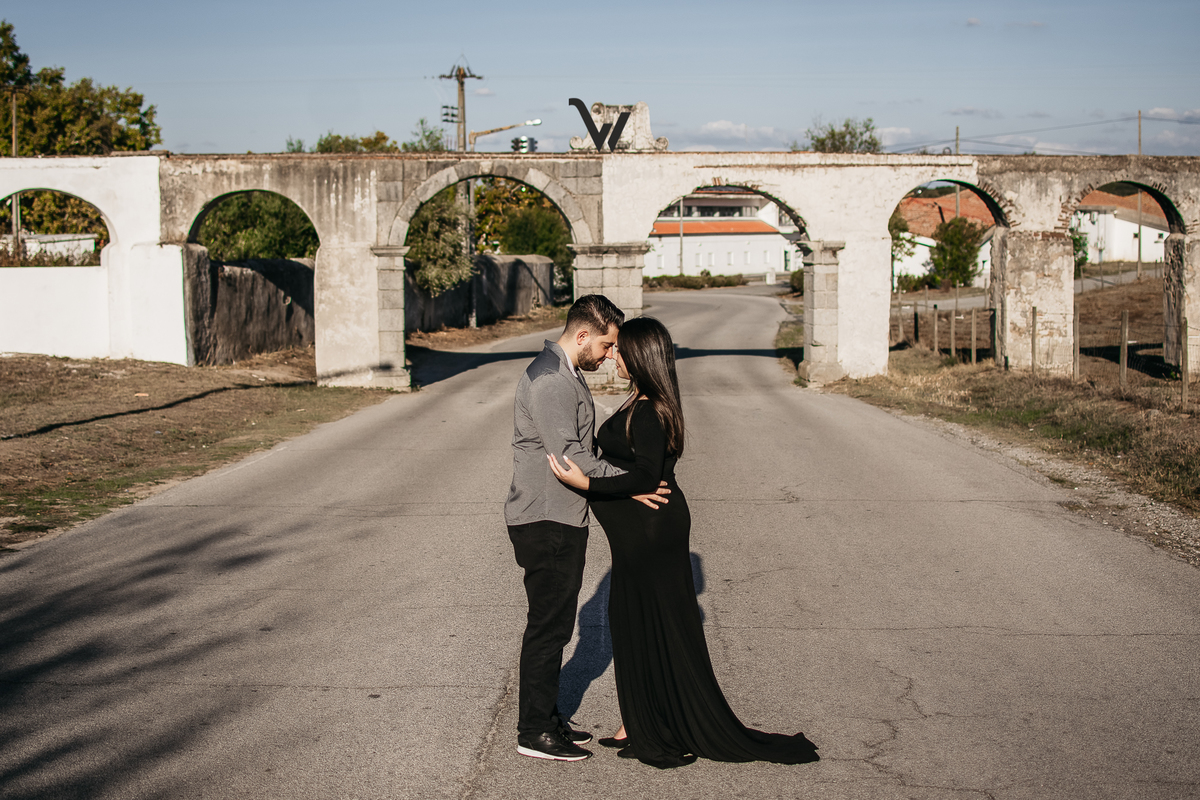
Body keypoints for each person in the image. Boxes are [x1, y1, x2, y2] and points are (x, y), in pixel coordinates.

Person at [548, 316, 820, 769]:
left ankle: (652, 724)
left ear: (640, 356)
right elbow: (637, 473)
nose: (612, 354)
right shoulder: (642, 399)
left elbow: (645, 475)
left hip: (652, 532)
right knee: (635, 622)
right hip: (642, 531)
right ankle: (639, 718)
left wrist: (589, 485)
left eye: (620, 349)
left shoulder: (652, 409)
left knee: (648, 623)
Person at [505, 294, 668, 762]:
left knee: (553, 625)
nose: (608, 355)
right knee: (549, 628)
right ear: (582, 336)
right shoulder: (553, 381)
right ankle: (534, 731)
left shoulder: (563, 372)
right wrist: (633, 484)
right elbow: (570, 458)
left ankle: (546, 716)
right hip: (546, 518)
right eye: (605, 345)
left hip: (556, 516)